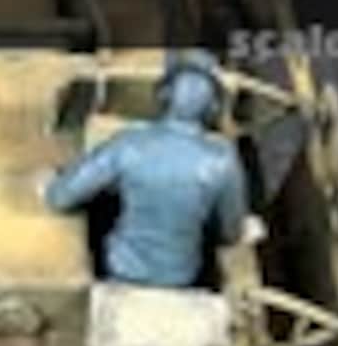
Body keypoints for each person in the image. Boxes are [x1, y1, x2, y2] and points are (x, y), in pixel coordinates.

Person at [42, 50, 265, 288]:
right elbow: (231, 233)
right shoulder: (222, 160)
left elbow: (61, 198)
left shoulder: (129, 144)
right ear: (212, 107)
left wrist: (51, 181)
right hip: (181, 276)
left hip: (121, 267)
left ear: (163, 95)